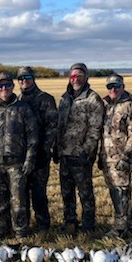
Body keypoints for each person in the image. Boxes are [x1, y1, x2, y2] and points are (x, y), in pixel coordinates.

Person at [0, 71, 38, 238]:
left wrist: (29, 159)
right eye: (0, 85)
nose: (4, 88)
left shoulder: (23, 108)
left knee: (18, 199)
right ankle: (4, 228)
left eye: (7, 85)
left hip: (17, 163)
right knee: (2, 199)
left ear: (12, 86)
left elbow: (33, 135)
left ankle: (20, 231)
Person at [55, 62, 105, 234]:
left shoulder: (93, 99)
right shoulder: (64, 98)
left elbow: (95, 129)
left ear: (86, 78)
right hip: (65, 154)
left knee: (85, 193)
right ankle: (70, 222)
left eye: (80, 76)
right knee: (66, 192)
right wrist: (56, 148)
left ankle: (88, 225)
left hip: (81, 155)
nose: (76, 79)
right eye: (73, 76)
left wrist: (87, 151)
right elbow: (59, 125)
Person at [98, 73, 132, 238]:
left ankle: (119, 229)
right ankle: (128, 224)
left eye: (116, 86)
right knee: (117, 191)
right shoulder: (108, 106)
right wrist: (100, 156)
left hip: (121, 158)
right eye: (110, 87)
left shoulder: (130, 106)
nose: (113, 90)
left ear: (123, 87)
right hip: (107, 158)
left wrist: (126, 156)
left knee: (120, 192)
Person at [17, 65, 57, 231]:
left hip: (40, 154)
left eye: (27, 78)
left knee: (39, 193)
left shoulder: (45, 99)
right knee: (22, 192)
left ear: (33, 79)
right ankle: (24, 225)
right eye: (21, 79)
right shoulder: (18, 100)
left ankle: (43, 226)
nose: (24, 81)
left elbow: (52, 127)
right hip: (21, 155)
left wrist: (45, 151)